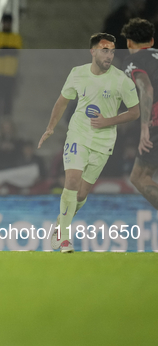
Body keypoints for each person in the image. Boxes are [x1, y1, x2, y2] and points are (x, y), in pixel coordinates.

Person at [38, 33, 140, 253]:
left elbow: (135, 112)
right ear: (93, 51)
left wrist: (108, 121)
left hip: (104, 141)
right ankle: (65, 238)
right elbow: (62, 101)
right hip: (78, 135)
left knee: (81, 195)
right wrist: (50, 127)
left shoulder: (121, 79)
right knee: (72, 181)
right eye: (105, 50)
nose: (110, 55)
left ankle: (60, 224)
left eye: (113, 51)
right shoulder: (78, 73)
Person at [122, 18, 158, 209]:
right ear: (151, 41)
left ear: (128, 43)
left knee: (140, 177)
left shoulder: (132, 61)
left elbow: (146, 89)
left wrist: (145, 126)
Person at [0, 14, 22, 129]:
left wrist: (2, 49)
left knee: (8, 101)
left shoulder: (15, 37)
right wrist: (8, 49)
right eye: (5, 22)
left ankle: (7, 127)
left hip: (9, 73)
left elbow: (15, 51)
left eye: (9, 22)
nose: (7, 24)